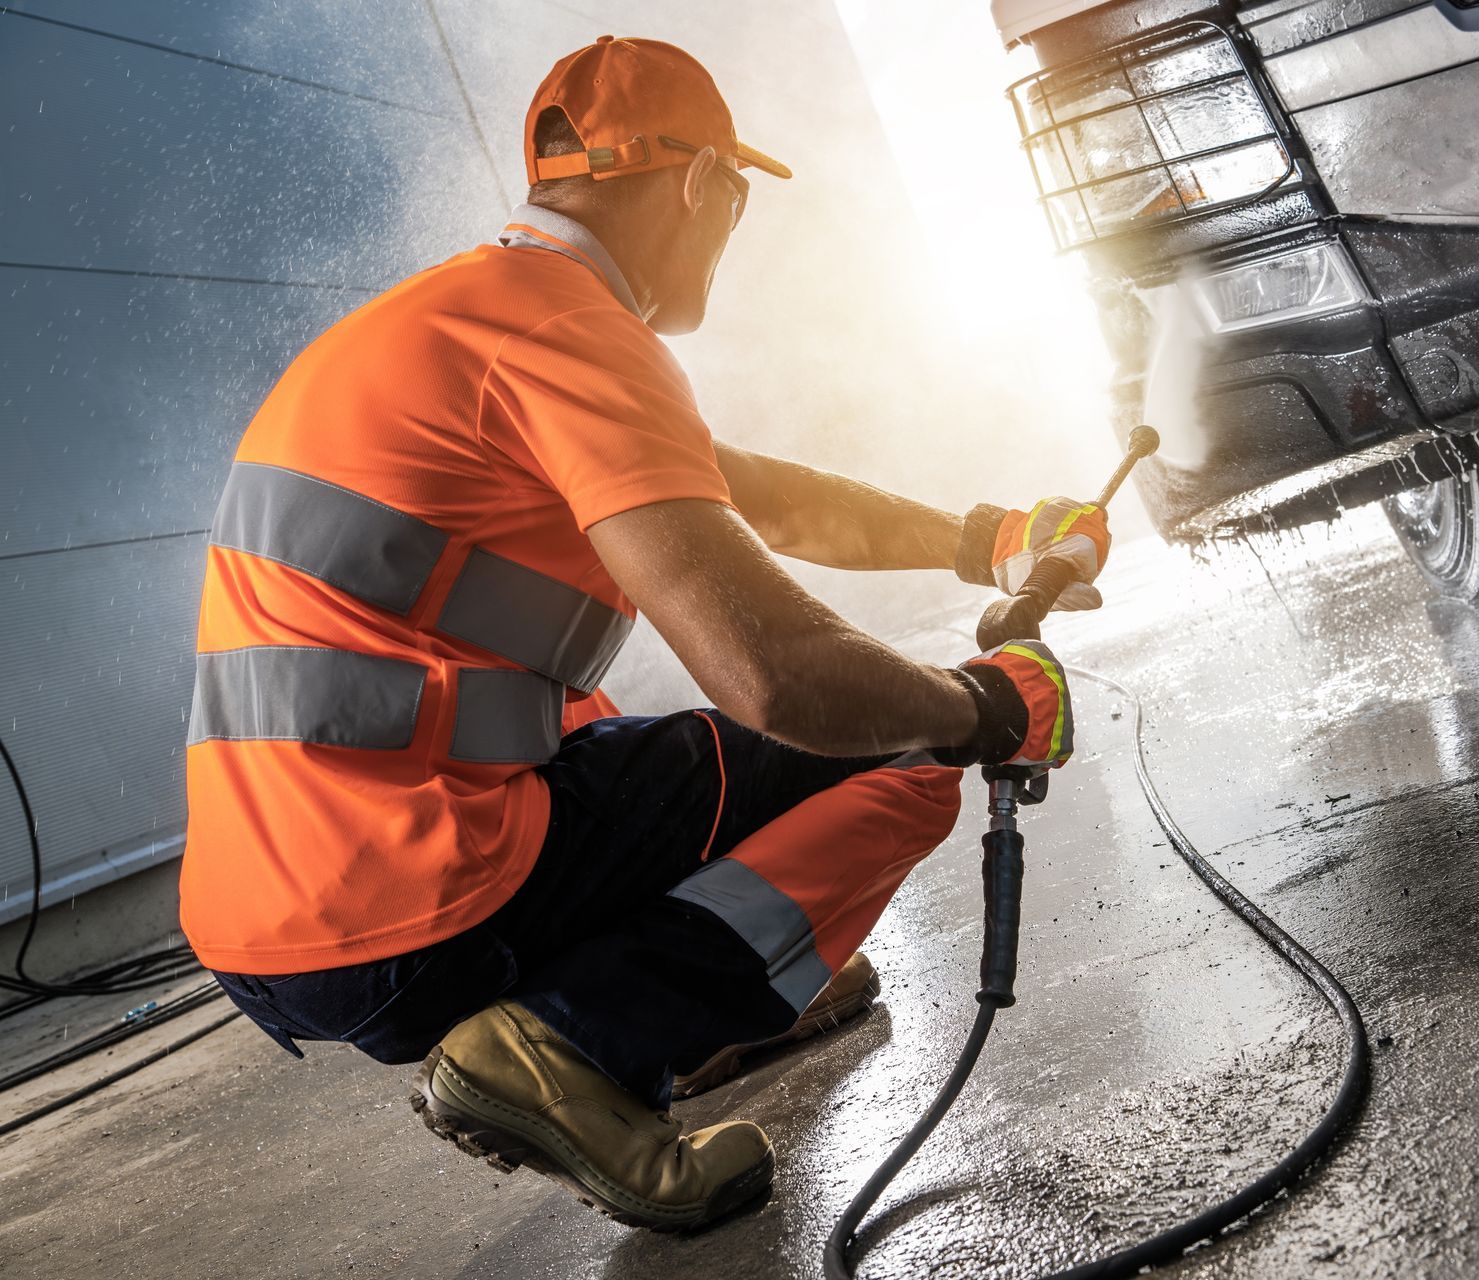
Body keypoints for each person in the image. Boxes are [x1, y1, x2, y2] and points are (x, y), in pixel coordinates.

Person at [178, 36, 1111, 1231]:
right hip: (407, 904)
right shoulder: (573, 329)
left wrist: (986, 534)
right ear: (700, 185)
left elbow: (748, 490)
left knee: (614, 731)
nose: (727, 231)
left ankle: (713, 1013)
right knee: (895, 748)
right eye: (732, 202)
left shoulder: (464, 317)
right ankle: (578, 1043)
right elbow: (773, 673)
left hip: (266, 922)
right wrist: (986, 704)